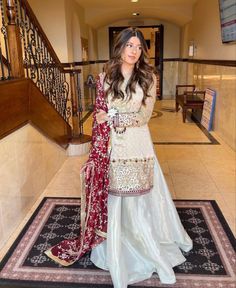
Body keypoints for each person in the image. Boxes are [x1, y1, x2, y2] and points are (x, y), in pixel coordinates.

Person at [45, 27, 192, 287]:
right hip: (112, 146)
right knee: (114, 196)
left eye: (138, 47)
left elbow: (144, 116)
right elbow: (99, 113)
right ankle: (116, 242)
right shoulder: (106, 76)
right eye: (129, 46)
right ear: (120, 48)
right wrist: (98, 147)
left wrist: (114, 117)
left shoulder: (149, 77)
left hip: (137, 146)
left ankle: (144, 242)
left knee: (139, 199)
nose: (134, 51)